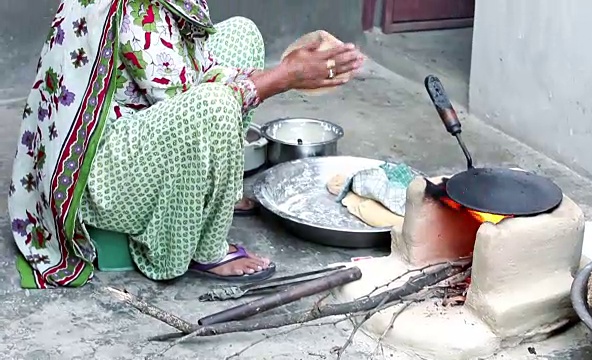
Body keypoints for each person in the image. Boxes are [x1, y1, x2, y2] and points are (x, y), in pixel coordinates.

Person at [9, 0, 364, 288]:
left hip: (129, 119)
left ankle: (213, 194)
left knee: (242, 34)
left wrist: (284, 69)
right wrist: (285, 76)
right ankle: (206, 249)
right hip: (97, 175)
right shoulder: (135, 8)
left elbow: (191, 64)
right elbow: (193, 97)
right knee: (216, 105)